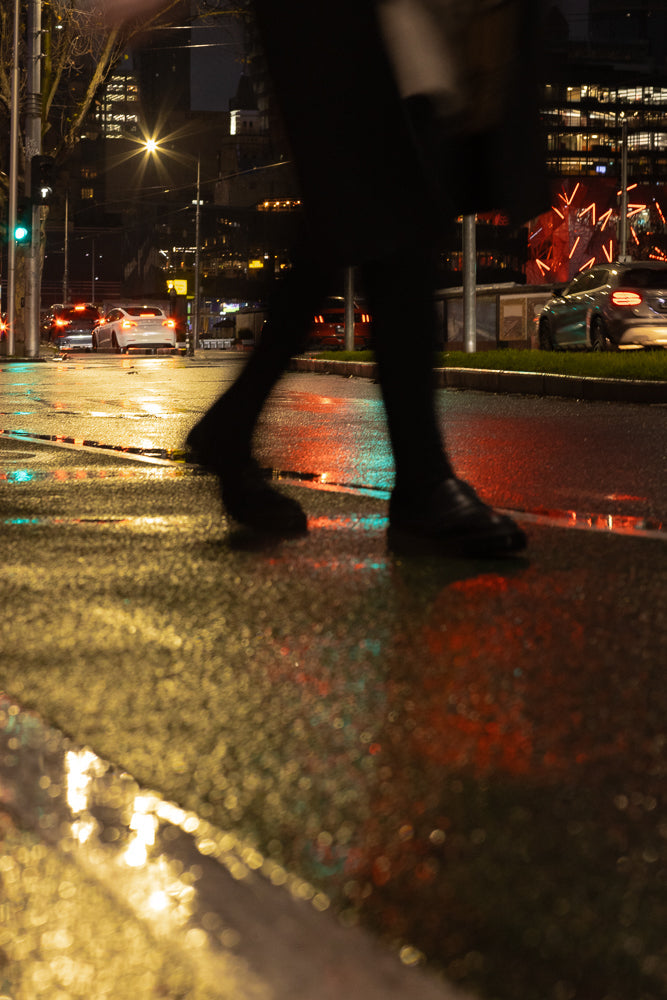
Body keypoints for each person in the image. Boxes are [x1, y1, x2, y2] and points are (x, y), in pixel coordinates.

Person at [186, 0, 547, 556]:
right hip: (356, 25)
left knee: (361, 217)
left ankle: (235, 425)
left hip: (391, 29)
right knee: (396, 218)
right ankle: (422, 480)